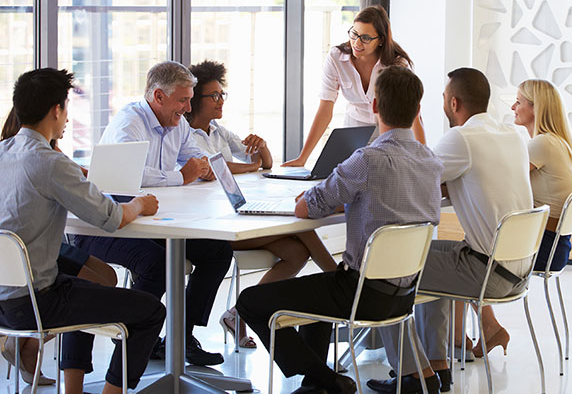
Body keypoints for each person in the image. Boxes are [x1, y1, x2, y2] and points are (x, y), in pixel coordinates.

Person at [238, 66, 443, 394]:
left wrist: (322, 198)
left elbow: (307, 207)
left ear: (374, 107)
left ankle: (326, 379)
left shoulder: (367, 159)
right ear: (418, 110)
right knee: (316, 295)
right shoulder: (431, 163)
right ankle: (316, 383)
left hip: (360, 293)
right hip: (404, 296)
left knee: (250, 301)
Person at [0, 68, 165, 394]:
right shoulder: (49, 162)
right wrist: (141, 204)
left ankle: (72, 388)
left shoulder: (4, 151)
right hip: (35, 303)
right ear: (55, 110)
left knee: (87, 282)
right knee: (150, 312)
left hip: (5, 299)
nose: (65, 120)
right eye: (66, 110)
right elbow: (112, 217)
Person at [369, 68, 533, 394]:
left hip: (487, 271)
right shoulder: (512, 135)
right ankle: (438, 368)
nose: (443, 104)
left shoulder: (462, 138)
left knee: (384, 272)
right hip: (518, 267)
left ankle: (410, 375)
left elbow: (412, 174)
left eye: (444, 99)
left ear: (454, 103)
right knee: (426, 254)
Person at [71, 61, 233, 366]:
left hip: (149, 221)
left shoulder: (178, 124)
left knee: (217, 252)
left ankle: (178, 338)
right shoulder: (129, 123)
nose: (188, 108)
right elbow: (130, 176)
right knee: (156, 264)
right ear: (158, 96)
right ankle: (132, 352)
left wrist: (204, 166)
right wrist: (181, 176)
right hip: (106, 225)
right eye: (183, 100)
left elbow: (195, 156)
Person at [187, 60, 337, 349]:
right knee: (301, 226)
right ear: (195, 101)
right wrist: (251, 164)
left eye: (222, 95)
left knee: (296, 252)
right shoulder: (185, 135)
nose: (220, 101)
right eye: (213, 96)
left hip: (233, 213)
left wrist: (263, 148)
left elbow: (264, 163)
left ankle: (238, 314)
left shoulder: (217, 130)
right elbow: (218, 167)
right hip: (213, 226)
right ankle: (338, 278)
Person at [1, 107, 118, 386]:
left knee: (107, 277)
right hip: (32, 250)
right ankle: (30, 341)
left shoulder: (30, 153)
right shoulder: (37, 157)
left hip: (27, 249)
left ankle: (26, 342)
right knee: (97, 285)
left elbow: (72, 180)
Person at [283, 5, 425, 167]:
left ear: (381, 40)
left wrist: (423, 160)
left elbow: (413, 115)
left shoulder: (396, 64)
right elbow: (325, 108)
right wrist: (303, 158)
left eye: (365, 38)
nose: (357, 42)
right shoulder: (337, 57)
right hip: (354, 131)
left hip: (387, 131)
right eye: (354, 34)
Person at [512, 79, 572, 272]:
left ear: (536, 108)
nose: (512, 107)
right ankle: (483, 301)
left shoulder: (543, 144)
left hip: (544, 247)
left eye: (518, 102)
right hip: (555, 246)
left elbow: (504, 179)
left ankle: (480, 299)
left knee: (471, 254)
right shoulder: (557, 142)